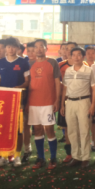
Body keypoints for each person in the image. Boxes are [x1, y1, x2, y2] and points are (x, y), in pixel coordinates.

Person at [0, 37, 30, 168]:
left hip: (18, 100)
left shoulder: (23, 62)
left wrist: (19, 87)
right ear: (5, 48)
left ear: (18, 48)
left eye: (13, 47)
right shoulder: (0, 63)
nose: (10, 49)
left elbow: (27, 81)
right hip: (3, 101)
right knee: (4, 128)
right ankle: (4, 156)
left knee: (18, 129)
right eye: (8, 47)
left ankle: (17, 156)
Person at [27, 39, 61, 170]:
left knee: (49, 130)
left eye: (41, 46)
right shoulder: (29, 64)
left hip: (48, 102)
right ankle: (40, 158)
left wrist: (57, 100)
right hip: (33, 103)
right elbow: (27, 83)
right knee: (37, 130)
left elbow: (57, 82)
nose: (38, 49)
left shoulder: (52, 62)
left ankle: (53, 158)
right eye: (36, 47)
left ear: (46, 48)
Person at [61, 47, 95, 168]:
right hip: (70, 103)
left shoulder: (89, 70)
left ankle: (85, 158)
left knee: (84, 131)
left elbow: (94, 88)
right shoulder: (68, 71)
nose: (76, 57)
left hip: (84, 102)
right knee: (72, 131)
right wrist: (62, 104)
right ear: (71, 56)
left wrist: (92, 105)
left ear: (83, 57)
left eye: (79, 55)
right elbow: (65, 88)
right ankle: (76, 157)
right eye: (74, 55)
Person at [22, 41, 37, 163]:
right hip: (25, 98)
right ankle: (27, 149)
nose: (31, 53)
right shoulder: (23, 63)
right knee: (25, 125)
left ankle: (40, 153)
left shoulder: (44, 63)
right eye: (29, 51)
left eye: (33, 51)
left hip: (39, 99)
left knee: (39, 126)